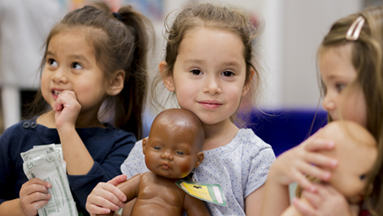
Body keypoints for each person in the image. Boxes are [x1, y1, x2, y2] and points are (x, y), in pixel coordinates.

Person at [86, 2, 275, 216]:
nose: (212, 87)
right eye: (196, 71)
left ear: (247, 81)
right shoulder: (145, 152)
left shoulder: (254, 157)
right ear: (168, 76)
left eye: (228, 73)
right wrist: (103, 207)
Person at [0, 5, 152, 216]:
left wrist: (67, 130)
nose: (58, 75)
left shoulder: (123, 146)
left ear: (114, 81)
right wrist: (19, 207)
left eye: (76, 65)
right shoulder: (14, 137)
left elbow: (102, 206)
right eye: (52, 62)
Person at [261, 4, 383, 216]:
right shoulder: (333, 166)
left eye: (339, 86)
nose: (326, 103)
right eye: (326, 87)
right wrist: (277, 178)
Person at [93, 108, 209, 216]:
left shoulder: (186, 192)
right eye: (157, 148)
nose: (167, 156)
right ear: (144, 147)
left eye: (179, 152)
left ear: (197, 160)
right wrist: (102, 208)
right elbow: (110, 200)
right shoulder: (142, 180)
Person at [282, 121, 377, 216]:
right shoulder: (314, 202)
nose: (370, 186)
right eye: (362, 177)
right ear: (328, 172)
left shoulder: (361, 203)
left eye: (372, 176)